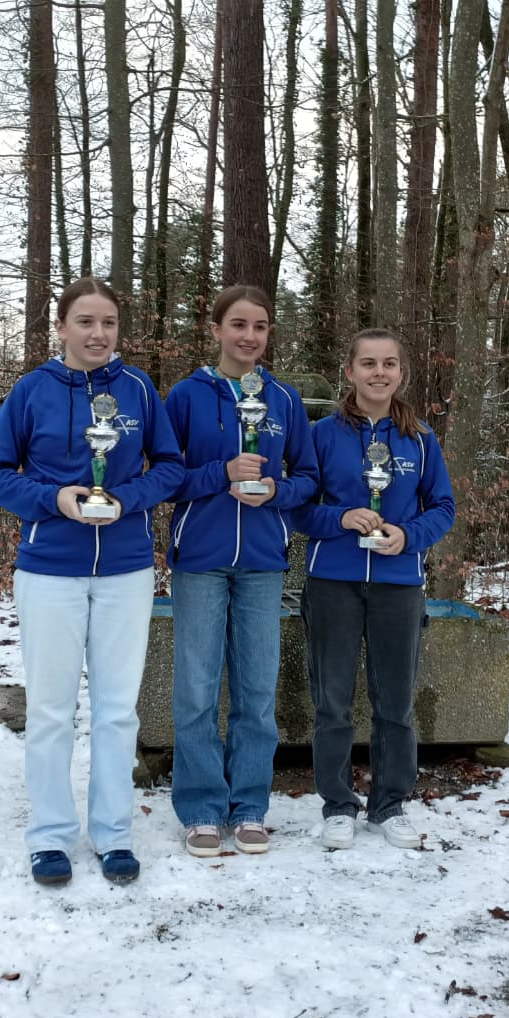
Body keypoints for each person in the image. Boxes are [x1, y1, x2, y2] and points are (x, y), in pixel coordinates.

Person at [0, 277, 183, 887]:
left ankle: (114, 833)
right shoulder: (32, 390)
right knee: (50, 709)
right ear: (62, 327)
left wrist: (125, 499)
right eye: (86, 322)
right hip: (50, 569)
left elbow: (169, 467)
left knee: (117, 711)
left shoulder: (138, 389)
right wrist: (55, 499)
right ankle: (50, 836)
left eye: (109, 323)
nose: (98, 334)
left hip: (125, 569)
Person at [164, 286, 319, 858]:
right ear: (216, 330)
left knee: (256, 690)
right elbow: (164, 478)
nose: (249, 336)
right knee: (197, 690)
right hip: (200, 561)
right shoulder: (186, 396)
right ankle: (202, 808)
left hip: (262, 562)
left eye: (259, 326)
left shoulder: (284, 399)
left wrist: (275, 490)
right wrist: (220, 474)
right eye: (238, 324)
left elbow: (309, 479)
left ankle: (250, 804)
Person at [295, 329, 455, 850]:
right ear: (350, 371)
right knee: (332, 701)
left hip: (398, 583)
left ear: (401, 374)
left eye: (389, 363)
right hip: (332, 581)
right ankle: (338, 805)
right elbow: (298, 508)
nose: (378, 372)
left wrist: (408, 535)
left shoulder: (421, 440)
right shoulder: (321, 435)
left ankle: (389, 804)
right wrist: (341, 518)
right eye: (368, 363)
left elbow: (443, 508)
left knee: (396, 702)